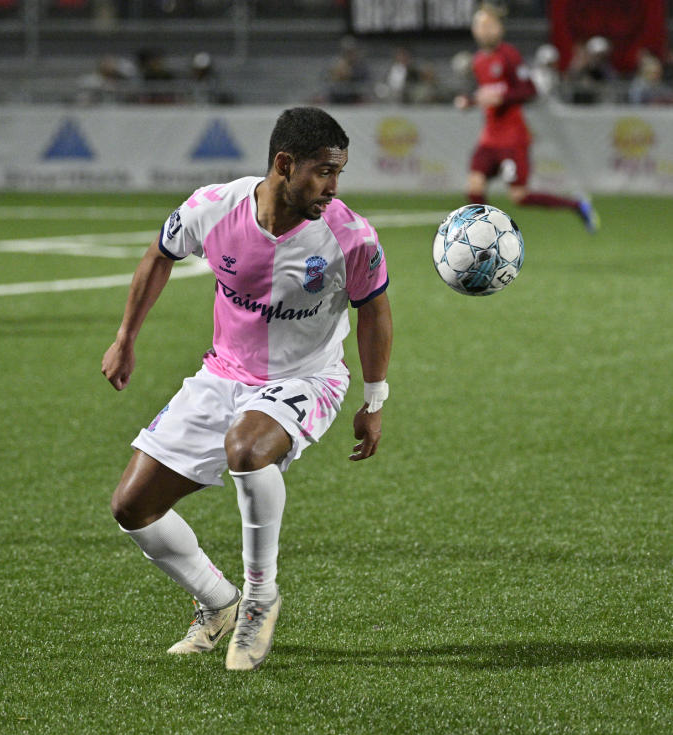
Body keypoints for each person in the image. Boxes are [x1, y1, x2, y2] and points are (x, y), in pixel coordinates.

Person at [101, 106, 392, 672]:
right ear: (284, 165)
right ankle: (219, 604)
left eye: (340, 173)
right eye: (324, 172)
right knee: (132, 507)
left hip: (305, 378)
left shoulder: (349, 237)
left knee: (248, 449)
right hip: (222, 375)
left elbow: (375, 312)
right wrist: (125, 336)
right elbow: (158, 256)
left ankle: (261, 598)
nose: (334, 187)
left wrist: (374, 399)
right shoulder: (215, 207)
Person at [454, 4, 598, 233]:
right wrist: (469, 102)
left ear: (499, 29)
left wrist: (502, 97)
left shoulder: (509, 56)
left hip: (513, 139)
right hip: (489, 139)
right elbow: (486, 95)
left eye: (489, 25)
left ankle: (578, 205)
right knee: (474, 186)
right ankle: (487, 236)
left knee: (519, 196)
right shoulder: (478, 61)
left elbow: (529, 91)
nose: (484, 30)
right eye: (480, 25)